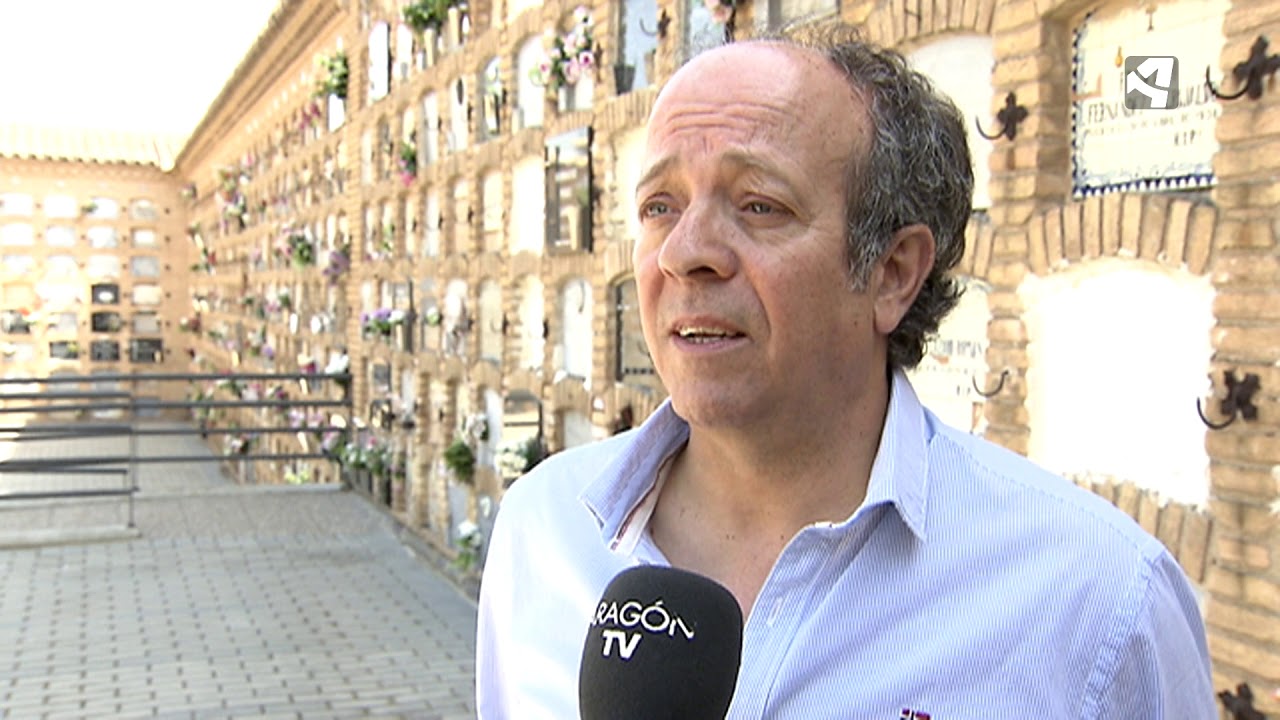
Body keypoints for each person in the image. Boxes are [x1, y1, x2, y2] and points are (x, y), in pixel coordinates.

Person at [476, 21, 1214, 719]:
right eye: (660, 206)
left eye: (759, 205)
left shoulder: (1100, 602)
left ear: (892, 273)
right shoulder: (542, 529)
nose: (683, 252)